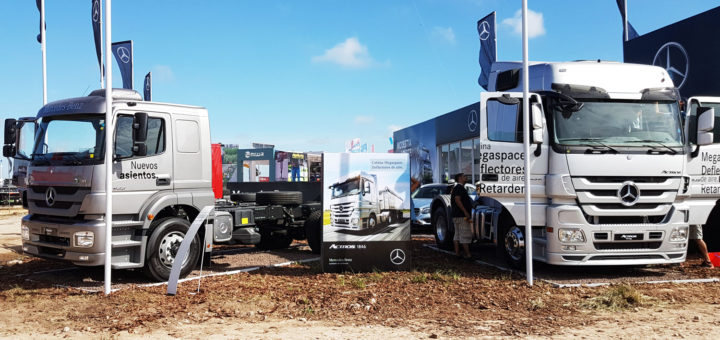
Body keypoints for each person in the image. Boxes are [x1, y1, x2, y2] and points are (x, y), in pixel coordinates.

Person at [450, 173, 473, 259]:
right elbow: (457, 199)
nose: (466, 177)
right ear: (459, 178)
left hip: (456, 216)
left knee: (457, 235)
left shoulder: (456, 188)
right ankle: (468, 255)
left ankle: (457, 254)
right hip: (461, 216)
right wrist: (465, 212)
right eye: (464, 176)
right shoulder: (459, 188)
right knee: (464, 235)